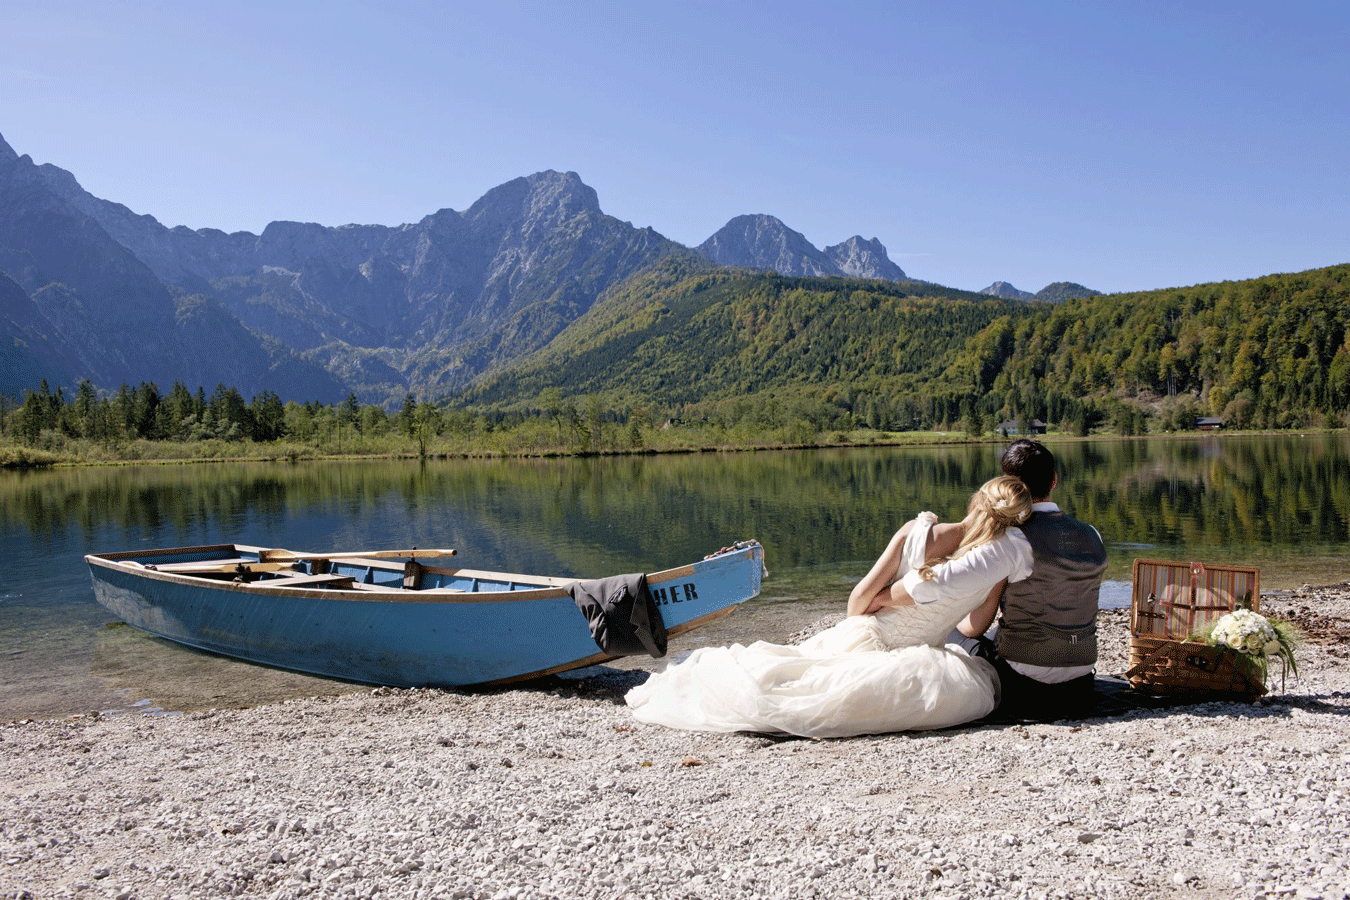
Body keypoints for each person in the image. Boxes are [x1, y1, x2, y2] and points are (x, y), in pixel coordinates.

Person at [624, 476, 1034, 738]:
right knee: (819, 689)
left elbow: (858, 603)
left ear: (976, 501)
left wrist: (887, 602)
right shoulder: (997, 564)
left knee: (799, 679)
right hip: (921, 651)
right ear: (1014, 523)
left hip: (873, 633)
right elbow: (974, 627)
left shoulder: (917, 533)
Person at [952, 439, 1108, 720]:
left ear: (1006, 485)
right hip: (1081, 684)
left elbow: (975, 626)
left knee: (954, 631)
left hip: (1025, 688)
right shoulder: (1092, 534)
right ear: (1054, 481)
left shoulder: (1012, 540)